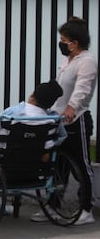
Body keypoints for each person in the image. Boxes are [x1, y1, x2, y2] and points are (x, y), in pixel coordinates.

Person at [30, 17, 98, 225]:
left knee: (80, 163)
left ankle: (86, 208)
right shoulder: (68, 61)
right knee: (58, 165)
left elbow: (83, 89)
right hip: (59, 119)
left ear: (74, 43)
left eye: (63, 39)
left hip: (77, 119)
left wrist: (71, 107)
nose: (61, 43)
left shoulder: (87, 61)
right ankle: (53, 205)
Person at [0, 80, 65, 200]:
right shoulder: (51, 120)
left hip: (6, 163)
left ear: (32, 96)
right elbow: (60, 137)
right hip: (36, 166)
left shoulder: (12, 114)